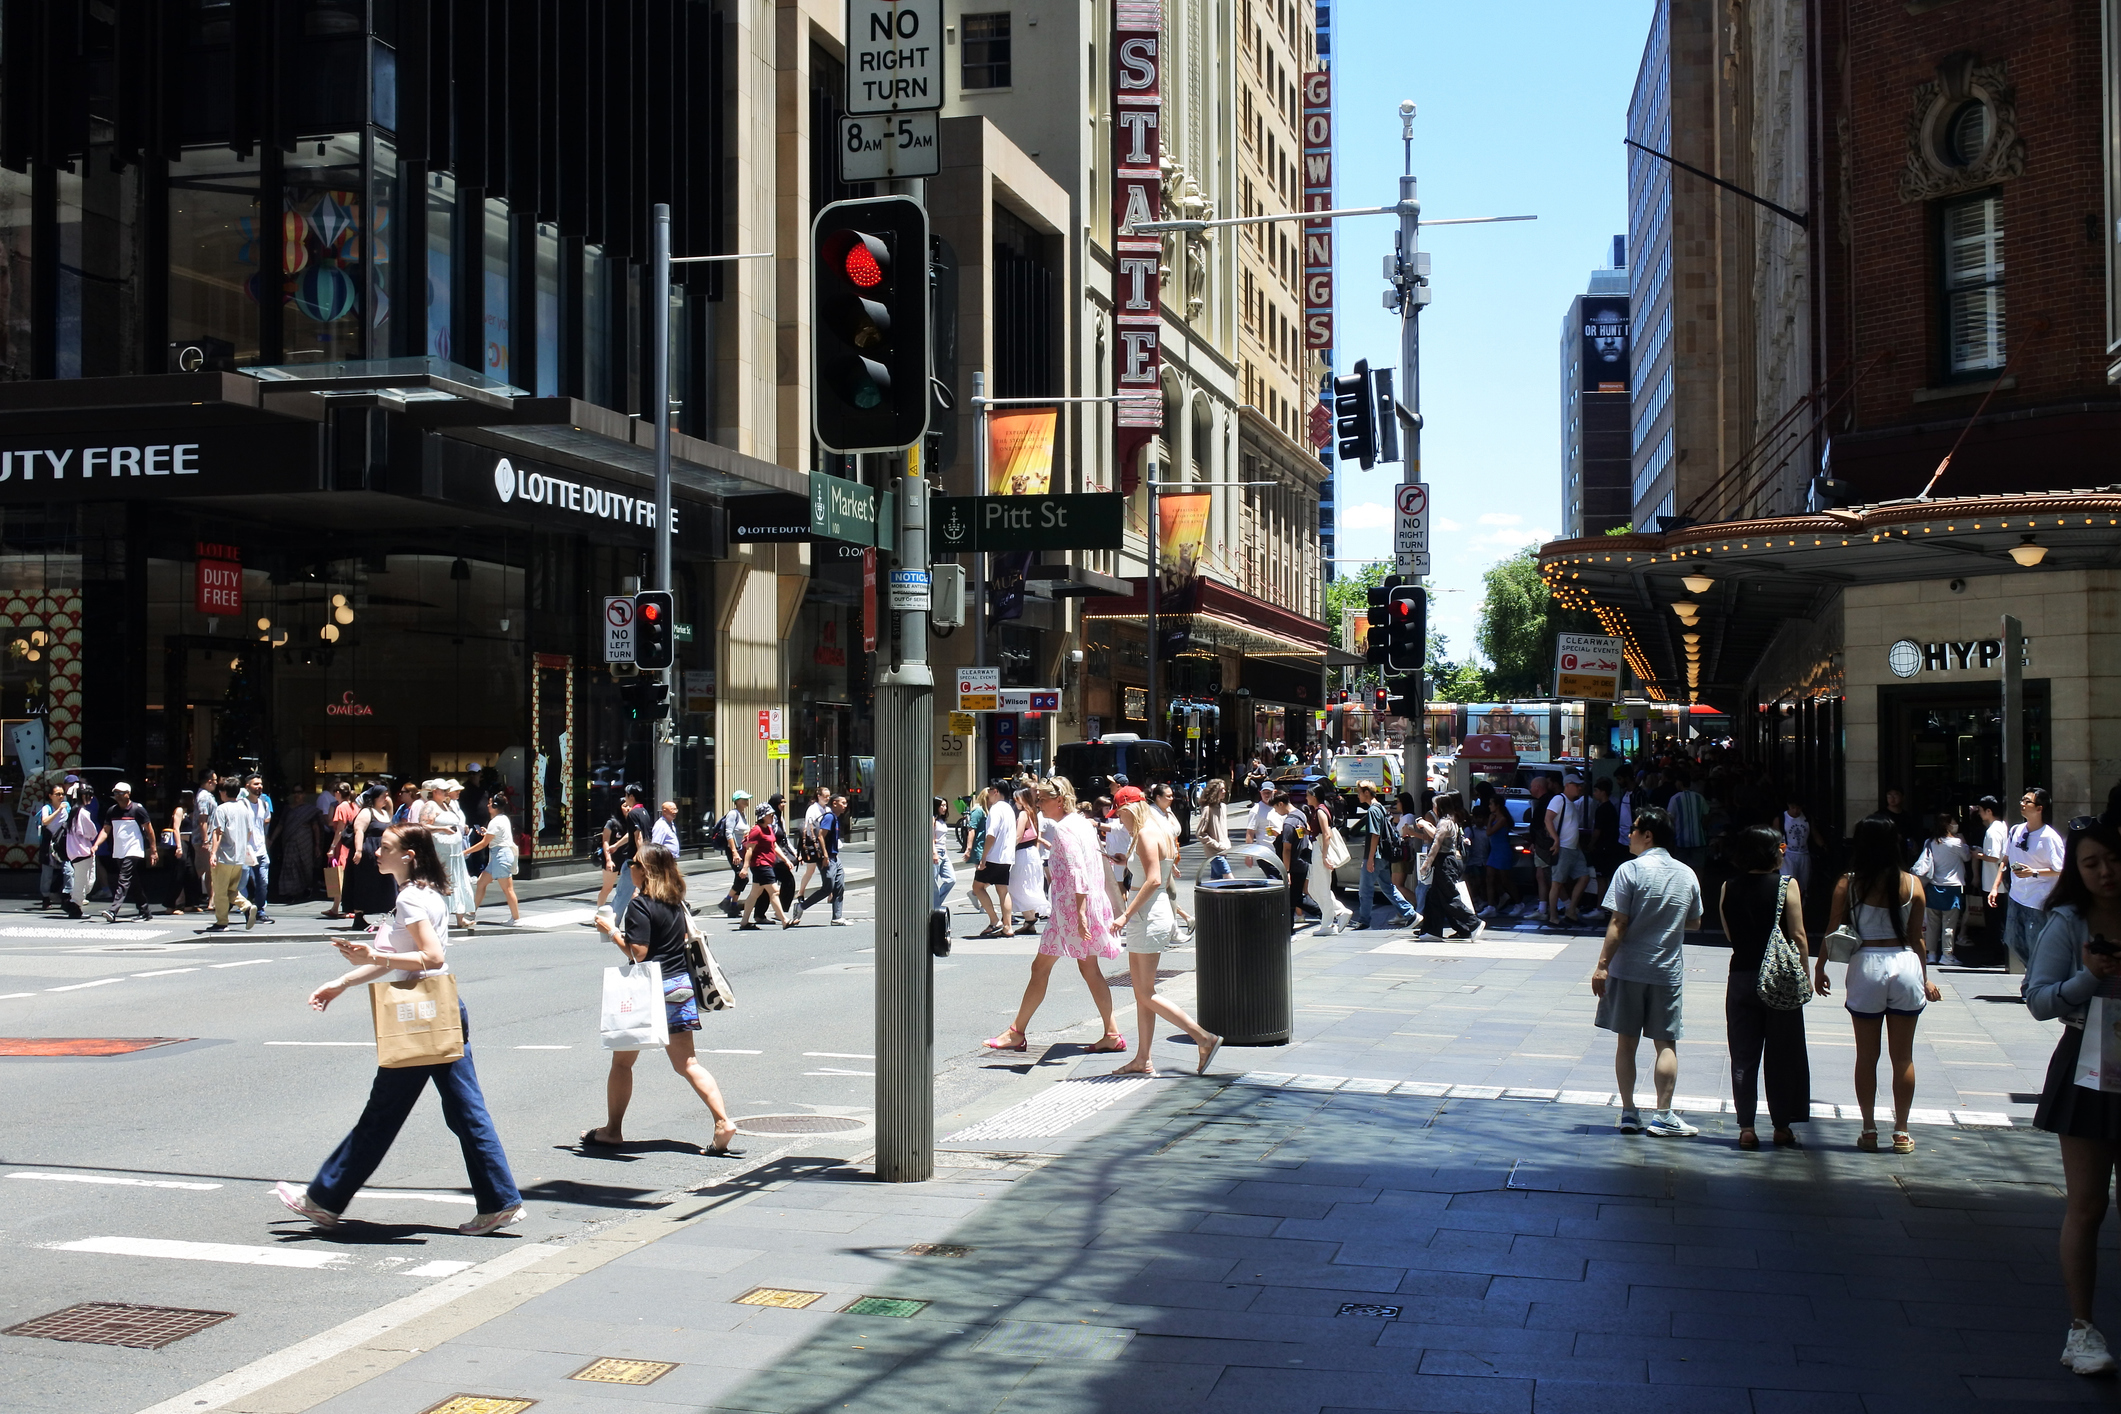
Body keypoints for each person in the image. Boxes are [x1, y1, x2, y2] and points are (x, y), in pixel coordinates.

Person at [273, 823, 525, 1237]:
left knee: (385, 1113)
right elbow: (395, 957)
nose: (376, 851)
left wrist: (372, 956)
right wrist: (343, 981)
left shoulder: (410, 897)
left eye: (385, 847)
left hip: (419, 1015)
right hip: (440, 1010)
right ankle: (500, 1201)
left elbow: (431, 956)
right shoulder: (425, 894)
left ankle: (324, 1199)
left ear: (408, 855)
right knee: (463, 1110)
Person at [2022, 818, 2121, 1376]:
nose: (2105, 872)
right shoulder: (2067, 920)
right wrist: (2089, 977)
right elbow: (2037, 999)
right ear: (2076, 873)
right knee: (2088, 1204)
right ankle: (2081, 1330)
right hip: (2088, 1062)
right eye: (2091, 864)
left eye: (2113, 858)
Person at [583, 844, 741, 1156]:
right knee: (688, 1063)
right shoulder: (676, 902)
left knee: (622, 1062)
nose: (630, 867)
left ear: (647, 870)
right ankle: (722, 1121)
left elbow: (638, 953)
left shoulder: (641, 905)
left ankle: (612, 1130)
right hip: (679, 985)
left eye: (635, 863)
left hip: (649, 990)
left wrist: (612, 931)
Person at [1814, 813, 1940, 1155]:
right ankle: (1901, 1131)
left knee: (1866, 1056)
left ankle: (1868, 1128)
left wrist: (1821, 967)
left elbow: (1832, 929)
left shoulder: (1848, 884)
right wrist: (1926, 979)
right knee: (1903, 1058)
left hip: (1866, 964)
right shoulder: (1913, 884)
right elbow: (1918, 939)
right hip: (1904, 964)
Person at [985, 777, 1126, 1056]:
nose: (1039, 806)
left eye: (1043, 801)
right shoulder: (1082, 823)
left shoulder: (1064, 829)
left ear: (1059, 800)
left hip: (1070, 912)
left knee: (1043, 968)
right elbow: (1093, 860)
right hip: (1078, 907)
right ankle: (1111, 1033)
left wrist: (1081, 913)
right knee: (1086, 969)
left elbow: (1076, 870)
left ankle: (1016, 1032)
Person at [1590, 805, 1704, 1138]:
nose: (1630, 833)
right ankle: (1664, 1115)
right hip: (1666, 971)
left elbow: (1618, 922)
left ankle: (1629, 1112)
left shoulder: (1629, 871)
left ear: (1648, 835)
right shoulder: (1686, 874)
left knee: (1627, 1043)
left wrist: (1601, 966)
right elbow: (1695, 921)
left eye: (1635, 828)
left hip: (1627, 970)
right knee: (1665, 1043)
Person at [1106, 788, 1221, 1076]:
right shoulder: (1160, 828)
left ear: (1130, 809)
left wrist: (1125, 915)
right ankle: (1143, 1059)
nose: (1120, 821)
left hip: (1146, 914)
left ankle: (1202, 1037)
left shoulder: (1145, 833)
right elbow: (1161, 870)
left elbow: (1154, 879)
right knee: (1143, 992)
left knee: (1145, 994)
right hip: (1153, 913)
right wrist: (1127, 862)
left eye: (1120, 814)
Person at [1718, 824, 1811, 1150]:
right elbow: (1798, 937)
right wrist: (1806, 974)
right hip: (1779, 979)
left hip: (1742, 975)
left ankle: (1746, 1126)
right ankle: (1782, 1126)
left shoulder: (1728, 886)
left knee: (1743, 1055)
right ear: (1773, 853)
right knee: (1782, 1053)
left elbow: (1730, 935)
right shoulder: (1787, 886)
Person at [2001, 787, 2066, 966]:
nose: (2022, 804)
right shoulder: (2016, 830)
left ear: (2039, 808)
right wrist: (1995, 885)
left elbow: (2060, 869)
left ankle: (2033, 980)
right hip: (2017, 895)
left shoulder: (2049, 837)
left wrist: (2034, 872)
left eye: (2027, 801)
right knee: (2012, 940)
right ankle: (2033, 973)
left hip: (2038, 899)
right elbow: (2006, 857)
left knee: (2035, 944)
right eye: (2022, 800)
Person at [1417, 793, 1483, 939]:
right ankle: (1432, 931)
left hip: (1445, 862)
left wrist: (1426, 864)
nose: (1433, 808)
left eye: (1434, 806)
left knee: (1449, 897)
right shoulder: (1450, 821)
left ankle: (1473, 923)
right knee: (1434, 897)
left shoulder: (1444, 823)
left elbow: (1436, 844)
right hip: (1447, 861)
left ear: (1439, 807)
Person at [1352, 781, 1415, 930]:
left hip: (1376, 855)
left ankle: (1364, 920)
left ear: (1367, 792)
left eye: (1360, 792)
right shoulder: (1380, 808)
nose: (1358, 795)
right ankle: (1411, 914)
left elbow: (1375, 835)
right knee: (1388, 888)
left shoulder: (1373, 811)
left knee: (1365, 889)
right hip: (1384, 855)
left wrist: (1371, 858)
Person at [92, 782, 157, 923]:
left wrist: (153, 850)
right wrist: (96, 844)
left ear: (128, 794)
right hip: (119, 851)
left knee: (123, 879)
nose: (118, 796)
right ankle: (145, 911)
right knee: (133, 881)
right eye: (116, 793)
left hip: (133, 850)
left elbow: (149, 830)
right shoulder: (112, 811)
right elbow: (105, 830)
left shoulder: (137, 809)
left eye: (121, 793)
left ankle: (113, 910)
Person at [204, 777, 261, 931]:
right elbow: (249, 831)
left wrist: (213, 853)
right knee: (231, 889)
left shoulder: (222, 809)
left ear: (223, 793)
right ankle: (246, 906)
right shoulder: (244, 809)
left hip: (224, 856)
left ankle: (222, 922)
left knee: (220, 891)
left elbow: (218, 832)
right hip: (239, 856)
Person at [1916, 810, 1972, 964]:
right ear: (1948, 825)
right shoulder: (1956, 842)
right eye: (1954, 822)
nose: (1956, 825)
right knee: (1949, 923)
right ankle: (1947, 955)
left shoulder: (1930, 842)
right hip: (1952, 887)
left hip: (1933, 886)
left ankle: (1931, 954)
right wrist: (1963, 841)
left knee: (1933, 923)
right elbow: (1967, 857)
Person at [339, 785, 398, 931]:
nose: (386, 798)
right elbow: (359, 831)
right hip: (368, 852)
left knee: (389, 883)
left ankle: (397, 914)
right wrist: (358, 851)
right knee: (365, 883)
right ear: (374, 797)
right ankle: (359, 917)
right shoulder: (366, 812)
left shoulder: (384, 813)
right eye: (383, 796)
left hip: (383, 852)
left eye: (387, 795)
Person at [1546, 774, 1595, 927]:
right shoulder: (1559, 799)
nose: (1580, 788)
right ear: (1567, 785)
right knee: (1557, 883)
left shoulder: (1570, 802)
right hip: (1564, 848)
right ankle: (1554, 917)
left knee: (1584, 877)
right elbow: (1547, 819)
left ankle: (1571, 911)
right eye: (1577, 785)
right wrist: (1556, 839)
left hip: (1573, 848)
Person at [971, 784, 1018, 939]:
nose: (988, 794)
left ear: (995, 791)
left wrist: (984, 857)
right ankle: (1008, 926)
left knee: (977, 887)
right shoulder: (1009, 809)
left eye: (990, 791)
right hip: (1006, 857)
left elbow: (991, 835)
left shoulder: (996, 809)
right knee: (1003, 890)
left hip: (993, 856)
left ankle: (994, 920)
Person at [1302, 793, 1353, 932]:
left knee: (1321, 888)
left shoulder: (1320, 811)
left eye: (1308, 795)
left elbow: (1326, 834)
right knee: (1313, 888)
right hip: (1318, 850)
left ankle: (1328, 923)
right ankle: (1338, 912)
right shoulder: (1319, 810)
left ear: (1314, 795)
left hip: (1320, 851)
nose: (1306, 798)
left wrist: (1325, 856)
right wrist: (1308, 832)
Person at [796, 794, 850, 925]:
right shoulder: (829, 817)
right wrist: (825, 856)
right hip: (827, 858)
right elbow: (820, 836)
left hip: (834, 858)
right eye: (843, 803)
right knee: (828, 888)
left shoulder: (835, 818)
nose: (845, 805)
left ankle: (837, 917)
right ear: (835, 803)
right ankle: (801, 906)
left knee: (839, 886)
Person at [472, 788, 522, 924]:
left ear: (494, 806)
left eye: (489, 803)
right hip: (501, 856)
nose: (488, 805)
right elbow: (495, 836)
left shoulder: (495, 822)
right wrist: (487, 832)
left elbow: (483, 844)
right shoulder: (503, 819)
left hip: (501, 856)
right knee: (481, 883)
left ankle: (516, 919)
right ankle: (472, 913)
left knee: (507, 889)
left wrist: (466, 852)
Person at [737, 803, 791, 930]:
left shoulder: (769, 828)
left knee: (755, 893)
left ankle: (744, 922)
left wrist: (785, 859)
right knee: (774, 891)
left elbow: (774, 846)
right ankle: (784, 920)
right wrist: (745, 867)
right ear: (763, 816)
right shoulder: (757, 830)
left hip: (767, 864)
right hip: (761, 865)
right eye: (770, 814)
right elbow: (749, 850)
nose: (772, 816)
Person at [1006, 784, 1049, 935]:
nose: (1015, 802)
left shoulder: (1024, 814)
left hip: (1023, 853)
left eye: (1016, 799)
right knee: (1027, 884)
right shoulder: (1033, 812)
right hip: (1031, 853)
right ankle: (1029, 920)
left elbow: (1018, 836)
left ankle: (1030, 918)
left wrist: (1007, 851)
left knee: (1017, 885)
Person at [1970, 794, 2009, 959]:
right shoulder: (2004, 827)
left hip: (1993, 883)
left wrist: (1977, 855)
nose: (1979, 814)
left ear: (1988, 811)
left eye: (1980, 810)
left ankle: (1997, 955)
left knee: (1994, 923)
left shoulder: (1992, 831)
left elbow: (1994, 857)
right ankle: (2000, 954)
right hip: (2000, 883)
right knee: (1999, 921)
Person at [1271, 792, 1316, 925]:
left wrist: (1287, 871)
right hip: (1303, 861)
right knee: (1293, 898)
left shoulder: (1289, 822)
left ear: (1281, 804)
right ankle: (1289, 929)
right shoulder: (1300, 814)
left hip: (1295, 865)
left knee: (1295, 898)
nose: (1276, 811)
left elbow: (1287, 849)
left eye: (1275, 808)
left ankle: (1325, 913)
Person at [35, 782, 75, 916]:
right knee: (47, 873)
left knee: (68, 870)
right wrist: (58, 810)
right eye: (57, 794)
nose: (60, 797)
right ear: (50, 796)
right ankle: (45, 897)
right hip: (49, 843)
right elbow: (45, 821)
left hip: (63, 842)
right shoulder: (48, 808)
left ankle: (66, 896)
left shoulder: (68, 807)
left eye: (62, 794)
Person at [240, 774, 275, 923]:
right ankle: (244, 908)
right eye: (255, 784)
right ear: (247, 786)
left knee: (263, 882)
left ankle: (260, 911)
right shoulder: (241, 805)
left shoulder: (264, 804)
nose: (259, 786)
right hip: (245, 850)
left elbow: (265, 823)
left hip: (260, 850)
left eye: (260, 784)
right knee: (241, 883)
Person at [711, 790, 752, 916]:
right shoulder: (733, 814)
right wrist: (734, 852)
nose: (747, 801)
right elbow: (729, 833)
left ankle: (733, 906)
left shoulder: (742, 814)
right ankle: (726, 901)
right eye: (744, 799)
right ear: (737, 801)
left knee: (739, 877)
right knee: (743, 877)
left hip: (742, 850)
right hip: (734, 850)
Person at [1477, 787, 1517, 919]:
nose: (1489, 806)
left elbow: (1489, 832)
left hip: (1502, 850)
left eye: (1491, 804)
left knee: (1505, 879)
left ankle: (1518, 902)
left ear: (1497, 806)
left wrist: (1489, 820)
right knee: (1489, 878)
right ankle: (1490, 906)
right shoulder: (1497, 818)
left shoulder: (1502, 819)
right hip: (1495, 850)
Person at [322, 782, 357, 919]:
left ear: (338, 793)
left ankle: (339, 907)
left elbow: (339, 830)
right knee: (345, 875)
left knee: (339, 876)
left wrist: (332, 847)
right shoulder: (354, 806)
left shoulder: (341, 807)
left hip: (342, 845)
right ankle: (337, 907)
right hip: (352, 843)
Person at [1524, 773, 1557, 917]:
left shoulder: (1545, 803)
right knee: (1542, 875)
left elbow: (1542, 824)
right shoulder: (1548, 801)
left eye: (1531, 786)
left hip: (1544, 844)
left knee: (1544, 875)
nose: (1530, 789)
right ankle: (1546, 906)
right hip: (1542, 843)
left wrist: (1536, 842)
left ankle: (1555, 906)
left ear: (1538, 787)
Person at [1244, 780, 1283, 879]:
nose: (1266, 795)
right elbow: (1250, 833)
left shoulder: (1280, 806)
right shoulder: (1256, 810)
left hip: (1281, 852)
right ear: (1260, 792)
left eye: (1269, 792)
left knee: (1283, 882)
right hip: (1266, 853)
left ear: (1274, 792)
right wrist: (1249, 855)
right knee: (1276, 881)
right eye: (1264, 792)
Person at [1197, 779, 1232, 880]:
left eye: (1224, 789)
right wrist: (1215, 844)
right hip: (1215, 853)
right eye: (1221, 790)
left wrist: (1225, 844)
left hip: (1223, 849)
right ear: (1214, 791)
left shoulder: (1223, 807)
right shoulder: (1208, 809)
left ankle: (1213, 896)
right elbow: (1200, 833)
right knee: (1230, 879)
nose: (1224, 792)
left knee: (1216, 882)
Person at [1881, 786, 1923, 866]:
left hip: (1902, 853)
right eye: (1889, 796)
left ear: (1902, 797)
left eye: (1895, 795)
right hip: (1885, 853)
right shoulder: (1881, 815)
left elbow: (1910, 834)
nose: (1892, 798)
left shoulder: (1906, 816)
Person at [1780, 797, 1813, 896]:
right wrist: (1780, 853)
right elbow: (1777, 837)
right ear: (1788, 805)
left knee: (1803, 884)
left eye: (1798, 808)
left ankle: (1801, 903)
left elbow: (1814, 833)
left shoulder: (1807, 818)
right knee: (1787, 882)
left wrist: (1824, 846)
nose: (1796, 811)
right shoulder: (1782, 818)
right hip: (1788, 854)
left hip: (1803, 854)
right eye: (1793, 807)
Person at [933, 797, 957, 909]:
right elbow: (930, 838)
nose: (944, 808)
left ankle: (935, 904)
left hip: (943, 852)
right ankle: (934, 906)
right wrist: (934, 853)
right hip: (935, 851)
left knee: (951, 879)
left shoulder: (942, 821)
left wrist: (945, 853)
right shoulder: (933, 819)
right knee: (933, 882)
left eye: (945, 805)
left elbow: (943, 838)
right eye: (942, 805)